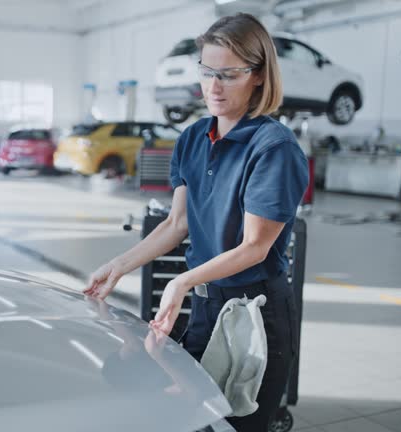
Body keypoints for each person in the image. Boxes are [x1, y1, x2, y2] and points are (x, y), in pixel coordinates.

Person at [84, 13, 309, 431]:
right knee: (193, 417)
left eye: (230, 74)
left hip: (253, 310)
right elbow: (176, 224)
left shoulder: (273, 148)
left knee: (239, 424)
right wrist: (119, 266)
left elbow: (254, 247)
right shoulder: (192, 138)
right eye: (207, 72)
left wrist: (180, 281)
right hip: (206, 305)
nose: (214, 87)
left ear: (258, 76)